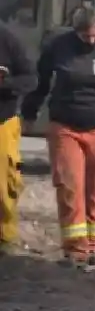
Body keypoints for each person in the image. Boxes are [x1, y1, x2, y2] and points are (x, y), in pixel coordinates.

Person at [22, 6, 95, 266]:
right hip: (66, 127)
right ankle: (75, 249)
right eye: (86, 36)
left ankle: (93, 246)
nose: (92, 41)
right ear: (76, 32)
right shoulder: (58, 47)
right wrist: (29, 113)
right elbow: (40, 83)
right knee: (69, 186)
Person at [0, 21, 36, 254]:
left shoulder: (7, 39)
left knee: (3, 184)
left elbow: (30, 79)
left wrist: (5, 83)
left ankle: (5, 238)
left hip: (2, 122)